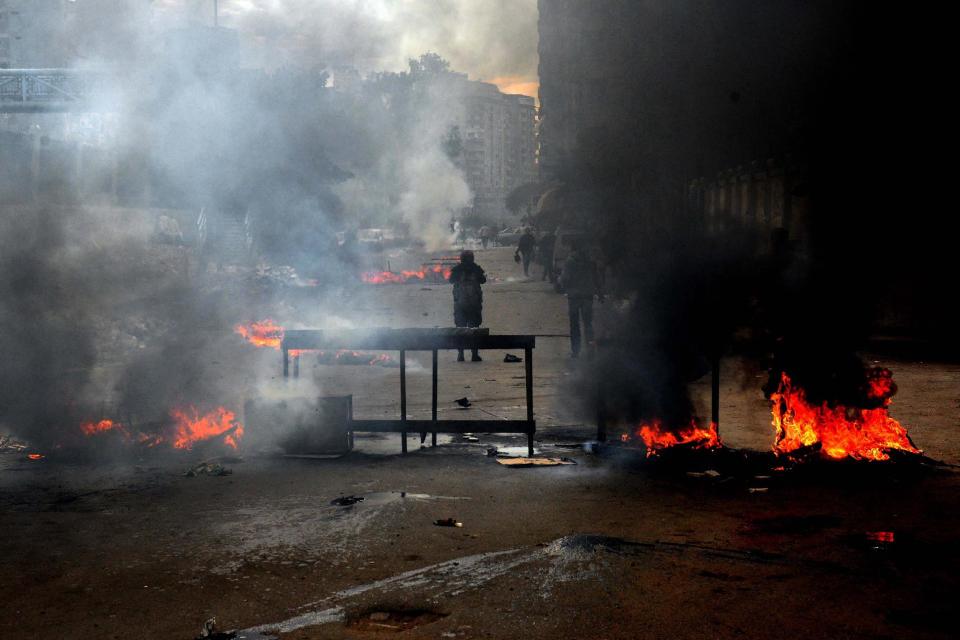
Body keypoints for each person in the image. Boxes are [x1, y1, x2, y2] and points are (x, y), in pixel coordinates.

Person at [559, 238, 602, 358]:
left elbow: (565, 278)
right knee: (588, 324)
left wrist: (562, 285)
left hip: (574, 297)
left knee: (574, 324)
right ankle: (590, 350)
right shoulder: (591, 262)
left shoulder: (570, 261)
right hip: (587, 296)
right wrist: (600, 294)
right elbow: (597, 279)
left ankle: (575, 351)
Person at [448, 250, 487, 362]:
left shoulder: (457, 269)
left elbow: (451, 281)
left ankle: (461, 355)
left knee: (460, 329)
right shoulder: (476, 268)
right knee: (474, 329)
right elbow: (483, 280)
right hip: (474, 304)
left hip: (460, 304)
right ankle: (474, 354)